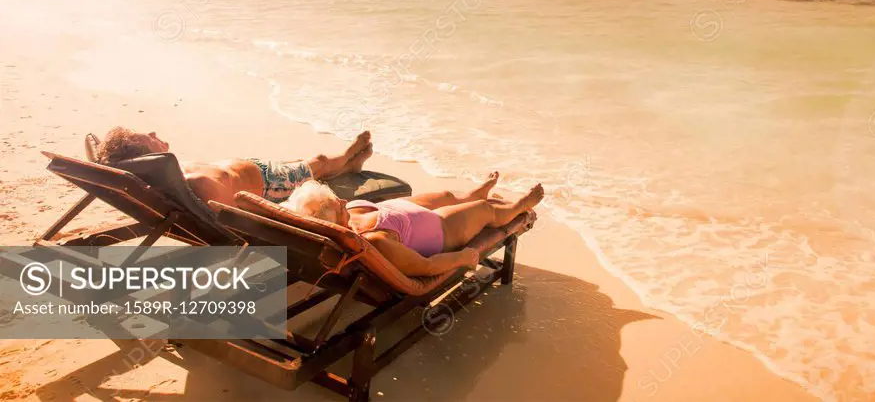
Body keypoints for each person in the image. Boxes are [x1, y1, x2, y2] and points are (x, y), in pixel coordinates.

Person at [280, 171, 544, 278]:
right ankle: (517, 208)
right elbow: (425, 267)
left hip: (406, 212)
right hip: (442, 230)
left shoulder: (348, 213)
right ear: (335, 220)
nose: (343, 200)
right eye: (337, 204)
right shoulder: (373, 240)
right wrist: (463, 257)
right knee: (484, 211)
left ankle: (475, 193)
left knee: (449, 196)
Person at [94, 126, 377, 207]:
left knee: (302, 163)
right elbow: (238, 211)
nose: (155, 134)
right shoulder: (197, 185)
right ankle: (346, 158)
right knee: (318, 161)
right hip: (272, 184)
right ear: (146, 155)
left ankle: (347, 166)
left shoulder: (170, 174)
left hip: (258, 170)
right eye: (149, 138)